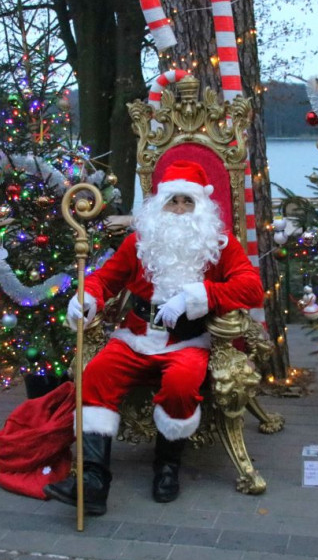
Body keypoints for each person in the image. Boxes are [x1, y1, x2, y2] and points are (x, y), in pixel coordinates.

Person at [44, 160, 264, 516]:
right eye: (172, 201)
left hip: (187, 342)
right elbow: (104, 279)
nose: (178, 210)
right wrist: (86, 297)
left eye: (186, 202)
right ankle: (93, 481)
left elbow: (252, 288)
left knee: (180, 383)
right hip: (135, 336)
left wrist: (197, 296)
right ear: (159, 205)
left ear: (201, 208)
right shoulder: (139, 243)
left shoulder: (220, 245)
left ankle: (167, 466)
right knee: (96, 375)